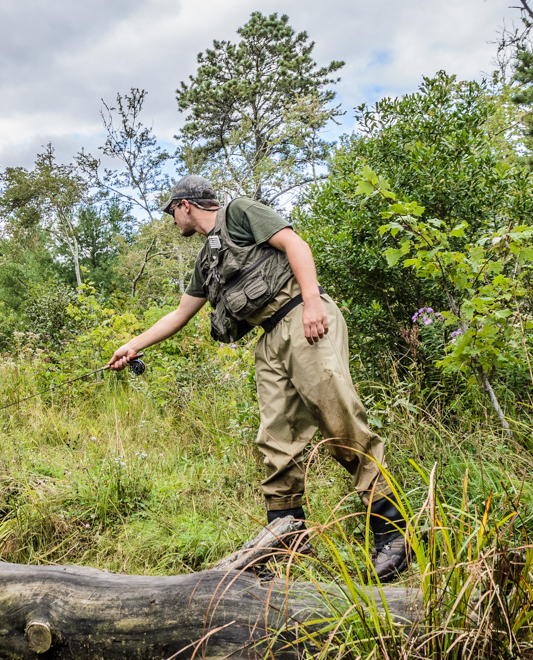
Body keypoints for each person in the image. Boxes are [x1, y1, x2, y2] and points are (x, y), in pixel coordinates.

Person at [106, 175, 409, 581]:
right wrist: (133, 345)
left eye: (171, 212)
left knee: (340, 425)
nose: (172, 221)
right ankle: (289, 537)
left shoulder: (241, 212)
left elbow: (295, 245)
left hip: (303, 318)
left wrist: (313, 304)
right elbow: (180, 314)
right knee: (275, 440)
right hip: (269, 341)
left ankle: (392, 533)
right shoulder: (204, 260)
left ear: (184, 205)